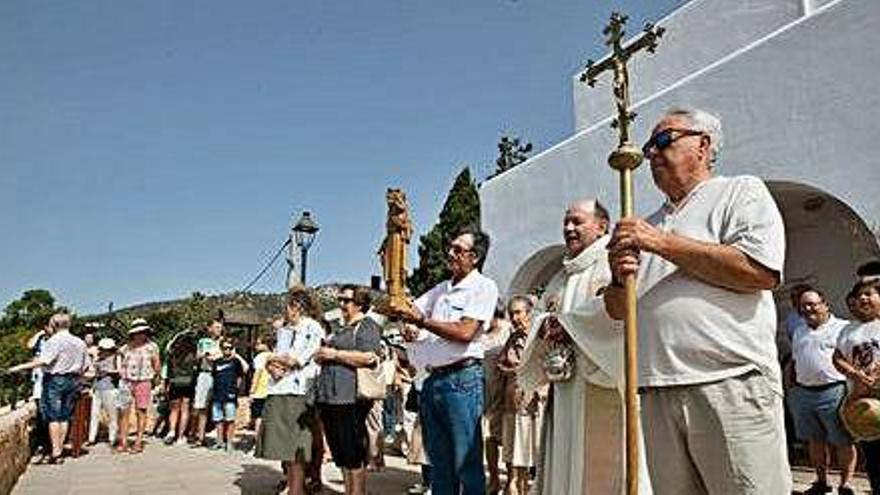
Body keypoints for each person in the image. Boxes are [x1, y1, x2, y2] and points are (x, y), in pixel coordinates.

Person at [605, 107, 790, 493]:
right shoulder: (646, 222)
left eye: (662, 142)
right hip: (656, 389)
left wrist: (662, 243)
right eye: (647, 147)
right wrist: (618, 279)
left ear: (703, 145)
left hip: (729, 381)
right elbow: (619, 312)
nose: (650, 155)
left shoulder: (740, 191)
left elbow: (758, 271)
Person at [517, 199, 651, 494]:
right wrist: (546, 326)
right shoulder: (560, 277)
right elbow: (540, 316)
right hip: (565, 388)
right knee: (565, 468)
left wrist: (568, 325)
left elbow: (620, 317)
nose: (568, 228)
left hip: (602, 380)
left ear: (602, 226)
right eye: (566, 222)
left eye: (577, 221)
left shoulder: (611, 265)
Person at [394, 224, 499, 495]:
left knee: (467, 464)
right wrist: (408, 320)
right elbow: (412, 310)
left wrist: (423, 322)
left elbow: (466, 332)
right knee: (440, 465)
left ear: (474, 257)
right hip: (433, 380)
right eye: (450, 248)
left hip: (462, 380)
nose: (450, 253)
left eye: (458, 249)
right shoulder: (440, 289)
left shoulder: (483, 287)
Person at [314, 285, 383, 495]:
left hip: (349, 396)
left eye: (346, 300)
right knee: (340, 451)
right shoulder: (342, 328)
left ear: (360, 304)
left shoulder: (366, 325)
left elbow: (369, 357)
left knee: (352, 450)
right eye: (340, 300)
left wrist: (334, 354)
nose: (341, 304)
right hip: (330, 396)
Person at [787, 288, 856, 495]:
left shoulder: (843, 327)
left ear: (825, 305)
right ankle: (821, 482)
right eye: (804, 306)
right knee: (814, 440)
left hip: (834, 391)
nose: (808, 309)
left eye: (813, 304)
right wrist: (792, 386)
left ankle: (846, 484)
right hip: (803, 393)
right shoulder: (799, 330)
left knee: (843, 440)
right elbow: (795, 360)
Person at [256, 288, 324, 495]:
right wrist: (271, 363)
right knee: (285, 446)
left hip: (298, 390)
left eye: (288, 305)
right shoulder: (284, 330)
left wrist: (270, 359)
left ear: (297, 307)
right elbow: (277, 358)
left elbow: (296, 359)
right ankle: (292, 485)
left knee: (297, 444)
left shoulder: (312, 327)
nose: (285, 310)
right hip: (279, 389)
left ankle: (297, 489)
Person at [8, 312, 88, 464]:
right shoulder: (79, 342)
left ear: (54, 325)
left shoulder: (54, 341)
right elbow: (86, 365)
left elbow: (44, 361)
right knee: (65, 416)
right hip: (73, 380)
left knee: (53, 417)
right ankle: (60, 449)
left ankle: (56, 452)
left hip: (55, 379)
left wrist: (19, 367)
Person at [833, 278, 880, 493]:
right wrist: (855, 374)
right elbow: (837, 358)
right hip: (863, 404)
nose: (863, 298)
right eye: (859, 295)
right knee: (874, 458)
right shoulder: (847, 330)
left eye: (869, 293)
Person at [496, 295, 543, 495]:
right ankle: (515, 485)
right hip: (512, 399)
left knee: (531, 448)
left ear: (528, 313)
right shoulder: (513, 338)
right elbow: (500, 363)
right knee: (514, 447)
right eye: (511, 313)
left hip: (533, 401)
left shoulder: (540, 335)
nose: (514, 317)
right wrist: (513, 371)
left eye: (518, 312)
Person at [117, 318, 160, 454]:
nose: (141, 334)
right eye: (139, 332)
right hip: (126, 381)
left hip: (144, 380)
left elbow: (157, 364)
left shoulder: (152, 346)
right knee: (124, 412)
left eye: (143, 331)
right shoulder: (126, 347)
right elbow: (118, 360)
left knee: (141, 411)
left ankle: (138, 441)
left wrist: (156, 379)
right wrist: (120, 372)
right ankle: (123, 442)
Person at [482, 300, 511, 494]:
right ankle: (493, 479)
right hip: (487, 396)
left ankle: (511, 480)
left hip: (507, 394)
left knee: (509, 438)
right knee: (490, 438)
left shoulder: (507, 330)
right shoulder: (478, 335)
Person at [211, 337, 248, 452]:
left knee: (230, 419)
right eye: (224, 348)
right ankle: (219, 441)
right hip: (217, 394)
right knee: (218, 419)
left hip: (230, 394)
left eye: (229, 348)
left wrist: (236, 390)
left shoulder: (236, 362)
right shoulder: (217, 362)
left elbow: (243, 373)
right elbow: (214, 376)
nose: (227, 350)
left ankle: (229, 442)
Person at [192, 319, 223, 447]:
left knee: (219, 406)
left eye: (220, 327)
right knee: (202, 406)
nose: (219, 330)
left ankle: (220, 438)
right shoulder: (204, 342)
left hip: (221, 375)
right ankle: (199, 436)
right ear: (209, 328)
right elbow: (201, 356)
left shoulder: (224, 342)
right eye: (216, 327)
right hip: (206, 374)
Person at [162, 336, 197, 446]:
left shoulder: (173, 354)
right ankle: (181, 436)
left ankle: (171, 431)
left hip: (174, 382)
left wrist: (166, 384)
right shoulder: (192, 355)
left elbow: (168, 368)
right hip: (188, 382)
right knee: (185, 410)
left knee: (174, 409)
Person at [87, 337, 120, 446]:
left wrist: (108, 372)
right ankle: (92, 437)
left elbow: (119, 372)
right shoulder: (97, 359)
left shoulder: (116, 358)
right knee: (94, 414)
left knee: (112, 414)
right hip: (97, 388)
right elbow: (92, 372)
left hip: (110, 388)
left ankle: (112, 437)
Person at [249, 335, 273, 448]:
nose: (256, 346)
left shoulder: (260, 357)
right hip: (272, 391)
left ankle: (258, 443)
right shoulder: (275, 356)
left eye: (258, 343)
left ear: (265, 344)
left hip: (260, 391)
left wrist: (252, 391)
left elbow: (257, 374)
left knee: (258, 418)